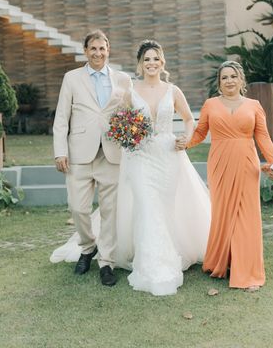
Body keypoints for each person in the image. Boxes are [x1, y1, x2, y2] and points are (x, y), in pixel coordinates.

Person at [52, 40, 211, 296]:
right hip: (139, 157)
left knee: (165, 207)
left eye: (156, 59)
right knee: (147, 206)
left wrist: (187, 138)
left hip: (168, 156)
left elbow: (190, 119)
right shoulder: (129, 90)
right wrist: (127, 136)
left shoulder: (173, 90)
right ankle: (152, 263)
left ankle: (169, 249)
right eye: (147, 59)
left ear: (162, 62)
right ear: (140, 64)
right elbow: (119, 121)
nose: (151, 64)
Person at [183, 60, 273, 292]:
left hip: (247, 164)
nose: (229, 81)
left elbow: (264, 137)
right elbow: (199, 133)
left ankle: (246, 272)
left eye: (233, 76)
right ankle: (224, 261)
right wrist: (183, 144)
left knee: (246, 217)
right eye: (224, 77)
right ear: (219, 83)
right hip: (219, 165)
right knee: (224, 214)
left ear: (241, 80)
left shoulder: (254, 105)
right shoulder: (210, 104)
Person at [52, 30, 133, 287]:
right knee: (78, 207)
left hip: (112, 153)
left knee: (110, 211)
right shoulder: (71, 78)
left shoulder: (122, 79)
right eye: (93, 49)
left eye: (102, 48)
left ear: (109, 50)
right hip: (79, 154)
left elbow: (130, 114)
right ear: (86, 51)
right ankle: (88, 247)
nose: (98, 53)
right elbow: (62, 117)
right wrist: (60, 151)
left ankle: (106, 262)